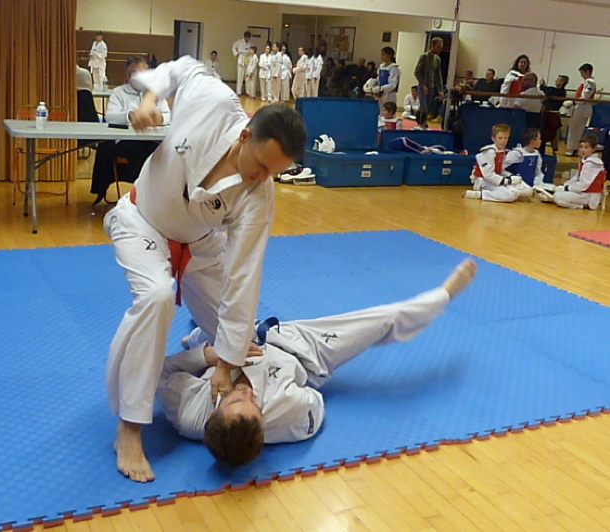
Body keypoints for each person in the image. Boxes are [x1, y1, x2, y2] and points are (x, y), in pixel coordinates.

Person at [104, 55, 307, 482]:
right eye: (261, 165)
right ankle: (130, 427)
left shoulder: (259, 194)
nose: (262, 178)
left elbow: (243, 275)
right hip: (143, 222)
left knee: (242, 344)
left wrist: (226, 365)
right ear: (245, 134)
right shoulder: (213, 101)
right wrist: (149, 100)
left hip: (199, 247)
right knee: (157, 296)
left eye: (273, 173)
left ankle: (219, 374)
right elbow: (177, 69)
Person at [157, 259, 477, 466]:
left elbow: (161, 371)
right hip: (303, 351)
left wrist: (207, 357)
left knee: (214, 308)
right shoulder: (288, 419)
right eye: (255, 405)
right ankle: (443, 296)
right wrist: (287, 379)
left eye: (237, 400)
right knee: (382, 319)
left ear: (213, 413)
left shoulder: (187, 412)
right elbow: (314, 397)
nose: (248, 395)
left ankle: (200, 338)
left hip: (231, 340)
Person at [90, 56, 171, 205]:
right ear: (128, 75)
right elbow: (110, 117)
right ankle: (140, 193)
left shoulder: (154, 93)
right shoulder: (119, 92)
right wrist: (129, 115)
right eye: (136, 73)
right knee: (137, 153)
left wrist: (160, 119)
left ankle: (160, 195)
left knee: (167, 152)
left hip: (152, 139)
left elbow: (168, 116)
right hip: (128, 141)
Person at [463, 123, 532, 202]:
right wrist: (508, 181)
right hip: (483, 181)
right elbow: (488, 175)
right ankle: (478, 194)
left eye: (506, 138)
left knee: (528, 190)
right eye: (500, 138)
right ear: (493, 138)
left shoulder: (503, 151)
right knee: (510, 195)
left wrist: (511, 176)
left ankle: (506, 193)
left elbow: (500, 170)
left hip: (496, 179)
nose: (503, 141)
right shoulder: (489, 152)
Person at [545, 133, 606, 209]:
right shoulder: (585, 160)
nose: (583, 150)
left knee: (558, 196)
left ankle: (582, 206)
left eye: (586, 147)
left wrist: (567, 188)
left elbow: (583, 186)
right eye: (581, 147)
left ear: (593, 149)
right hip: (583, 193)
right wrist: (564, 186)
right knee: (556, 191)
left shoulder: (593, 163)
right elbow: (576, 178)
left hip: (589, 196)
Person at [565, 63, 596, 157]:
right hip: (580, 107)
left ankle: (574, 149)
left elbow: (585, 96)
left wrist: (573, 102)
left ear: (588, 72)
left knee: (576, 130)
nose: (581, 75)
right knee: (574, 129)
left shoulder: (590, 82)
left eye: (582, 73)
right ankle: (573, 148)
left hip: (582, 108)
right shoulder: (586, 82)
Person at [414, 37, 444, 129]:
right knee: (424, 106)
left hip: (431, 86)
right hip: (423, 86)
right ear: (432, 45)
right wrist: (423, 85)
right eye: (438, 47)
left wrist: (440, 90)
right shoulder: (424, 57)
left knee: (427, 107)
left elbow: (438, 75)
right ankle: (422, 123)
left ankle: (421, 122)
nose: (439, 49)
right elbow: (417, 72)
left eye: (441, 47)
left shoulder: (437, 59)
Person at [232, 31, 253, 96]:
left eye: (248, 38)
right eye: (246, 38)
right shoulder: (239, 42)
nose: (247, 39)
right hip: (241, 58)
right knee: (240, 77)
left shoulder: (251, 43)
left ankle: (248, 91)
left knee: (247, 77)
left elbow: (253, 50)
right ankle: (238, 92)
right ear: (244, 37)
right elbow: (233, 47)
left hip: (248, 59)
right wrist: (236, 54)